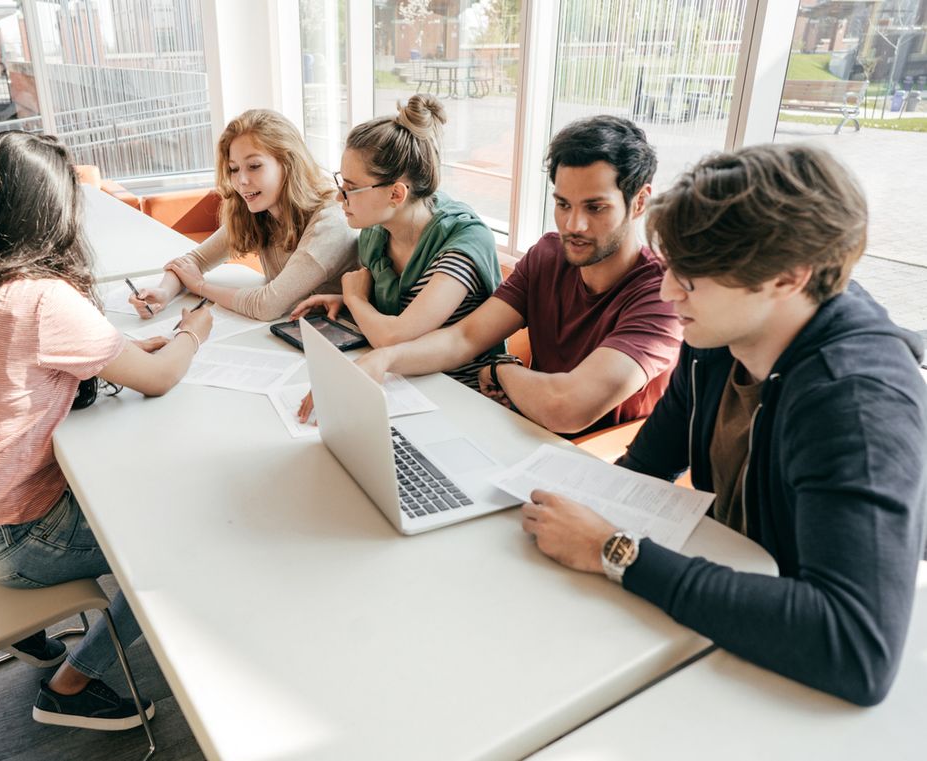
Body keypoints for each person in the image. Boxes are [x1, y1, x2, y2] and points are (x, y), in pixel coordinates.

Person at [520, 143, 927, 706]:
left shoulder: (856, 402)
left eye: (692, 278)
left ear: (788, 277)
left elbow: (857, 648)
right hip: (732, 609)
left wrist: (616, 552)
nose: (667, 293)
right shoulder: (713, 343)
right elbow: (644, 470)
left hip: (798, 675)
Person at [0, 131, 213, 730]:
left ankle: (32, 635)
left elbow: (20, 367)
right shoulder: (42, 299)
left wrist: (115, 350)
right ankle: (71, 686)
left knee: (129, 488)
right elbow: (157, 379)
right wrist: (192, 335)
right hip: (14, 541)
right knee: (177, 547)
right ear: (54, 211)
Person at [352, 115, 683, 436]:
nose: (573, 225)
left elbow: (566, 407)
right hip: (525, 434)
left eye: (595, 208)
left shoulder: (663, 294)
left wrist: (500, 370)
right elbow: (464, 337)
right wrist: (384, 359)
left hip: (599, 461)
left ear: (639, 203)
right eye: (564, 205)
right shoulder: (549, 255)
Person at [291, 94, 502, 407]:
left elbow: (395, 336)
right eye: (340, 183)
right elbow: (402, 317)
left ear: (396, 193)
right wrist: (345, 303)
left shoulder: (463, 241)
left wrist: (355, 298)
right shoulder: (377, 234)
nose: (339, 198)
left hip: (466, 400)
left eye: (350, 188)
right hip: (406, 387)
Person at [130, 109, 357, 322]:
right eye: (234, 169)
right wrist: (163, 292)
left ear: (288, 164)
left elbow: (268, 305)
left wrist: (200, 286)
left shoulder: (330, 220)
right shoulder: (259, 208)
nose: (241, 181)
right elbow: (192, 262)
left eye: (254, 166)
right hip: (296, 332)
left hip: (342, 344)